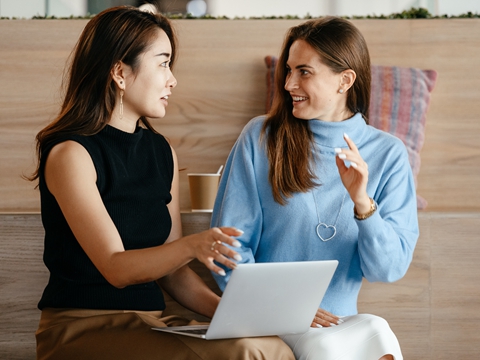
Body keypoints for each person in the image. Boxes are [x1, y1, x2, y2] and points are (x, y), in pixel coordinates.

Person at [28, 6, 295, 360]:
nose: (172, 80)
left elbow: (174, 275)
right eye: (163, 63)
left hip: (149, 323)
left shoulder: (161, 150)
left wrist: (242, 318)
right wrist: (192, 245)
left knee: (271, 346)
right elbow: (116, 267)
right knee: (247, 354)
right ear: (120, 72)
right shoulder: (71, 154)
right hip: (81, 327)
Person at [211, 16, 419, 360]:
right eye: (288, 70)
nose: (289, 83)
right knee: (326, 347)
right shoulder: (261, 138)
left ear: (345, 80)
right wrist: (283, 309)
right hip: (270, 318)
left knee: (378, 330)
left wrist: (362, 203)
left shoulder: (388, 154)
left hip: (340, 320)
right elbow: (227, 250)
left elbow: (389, 268)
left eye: (304, 72)